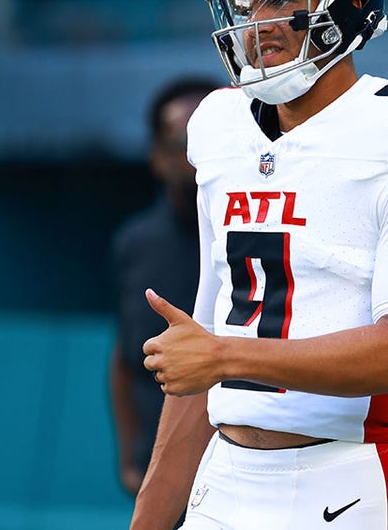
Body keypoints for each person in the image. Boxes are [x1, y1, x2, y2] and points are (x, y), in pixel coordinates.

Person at [130, 0, 388, 530]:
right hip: (224, 479)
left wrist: (227, 358)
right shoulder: (219, 126)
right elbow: (201, 347)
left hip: (344, 479)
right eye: (245, 1)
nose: (255, 23)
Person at [109, 75, 223, 497]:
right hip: (164, 482)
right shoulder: (135, 243)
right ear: (157, 156)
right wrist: (130, 457)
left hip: (245, 471)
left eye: (205, 141)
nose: (195, 157)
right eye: (182, 143)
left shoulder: (265, 232)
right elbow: (123, 359)